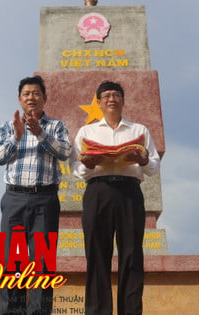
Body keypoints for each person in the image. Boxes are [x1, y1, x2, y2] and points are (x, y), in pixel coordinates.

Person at [71, 81, 160, 315]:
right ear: (99, 102)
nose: (112, 99)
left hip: (129, 192)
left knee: (131, 255)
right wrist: (87, 164)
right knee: (97, 255)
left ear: (123, 100)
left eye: (116, 95)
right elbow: (75, 168)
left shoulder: (139, 131)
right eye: (107, 96)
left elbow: (153, 167)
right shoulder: (87, 132)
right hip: (97, 191)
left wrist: (142, 160)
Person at [0, 75, 72, 314]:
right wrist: (17, 136)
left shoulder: (56, 126)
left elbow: (65, 152)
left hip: (44, 201)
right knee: (11, 264)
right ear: (20, 99)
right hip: (14, 200)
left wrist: (40, 133)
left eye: (36, 93)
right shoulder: (8, 127)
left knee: (43, 265)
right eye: (26, 94)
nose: (31, 98)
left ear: (45, 98)